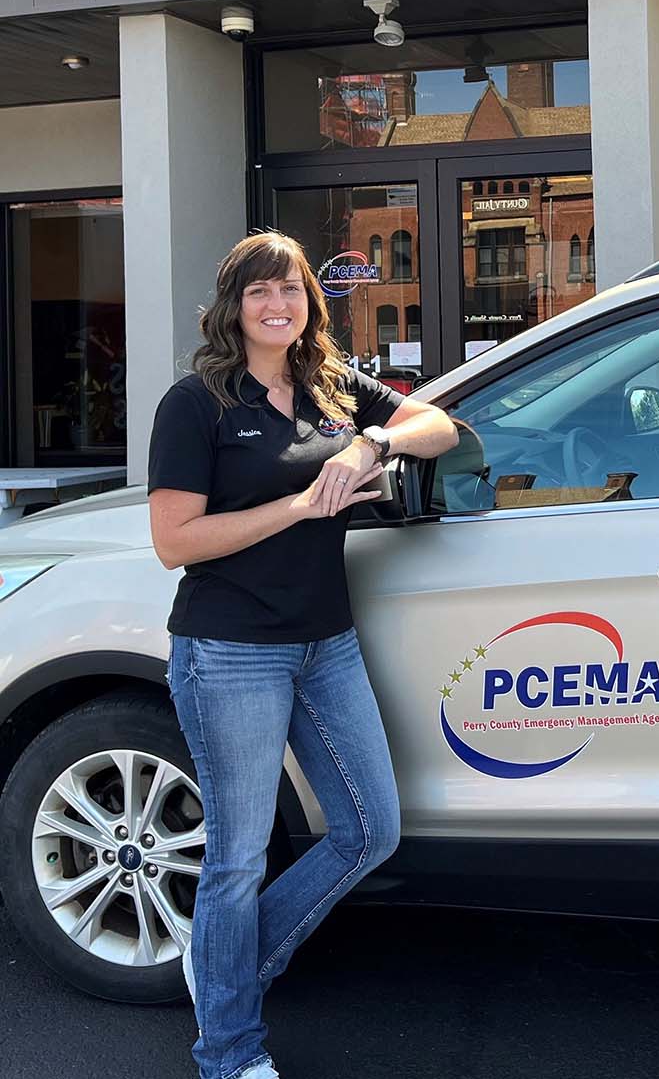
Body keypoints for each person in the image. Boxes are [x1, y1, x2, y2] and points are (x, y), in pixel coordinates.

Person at [148, 231, 458, 1079]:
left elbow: (439, 426)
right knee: (238, 858)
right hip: (231, 650)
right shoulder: (197, 402)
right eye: (259, 293)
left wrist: (371, 443)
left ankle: (226, 973)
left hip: (326, 644)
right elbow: (174, 541)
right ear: (232, 307)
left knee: (370, 829)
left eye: (290, 290)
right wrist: (296, 509)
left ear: (309, 303)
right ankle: (230, 1050)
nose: (277, 305)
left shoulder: (328, 387)